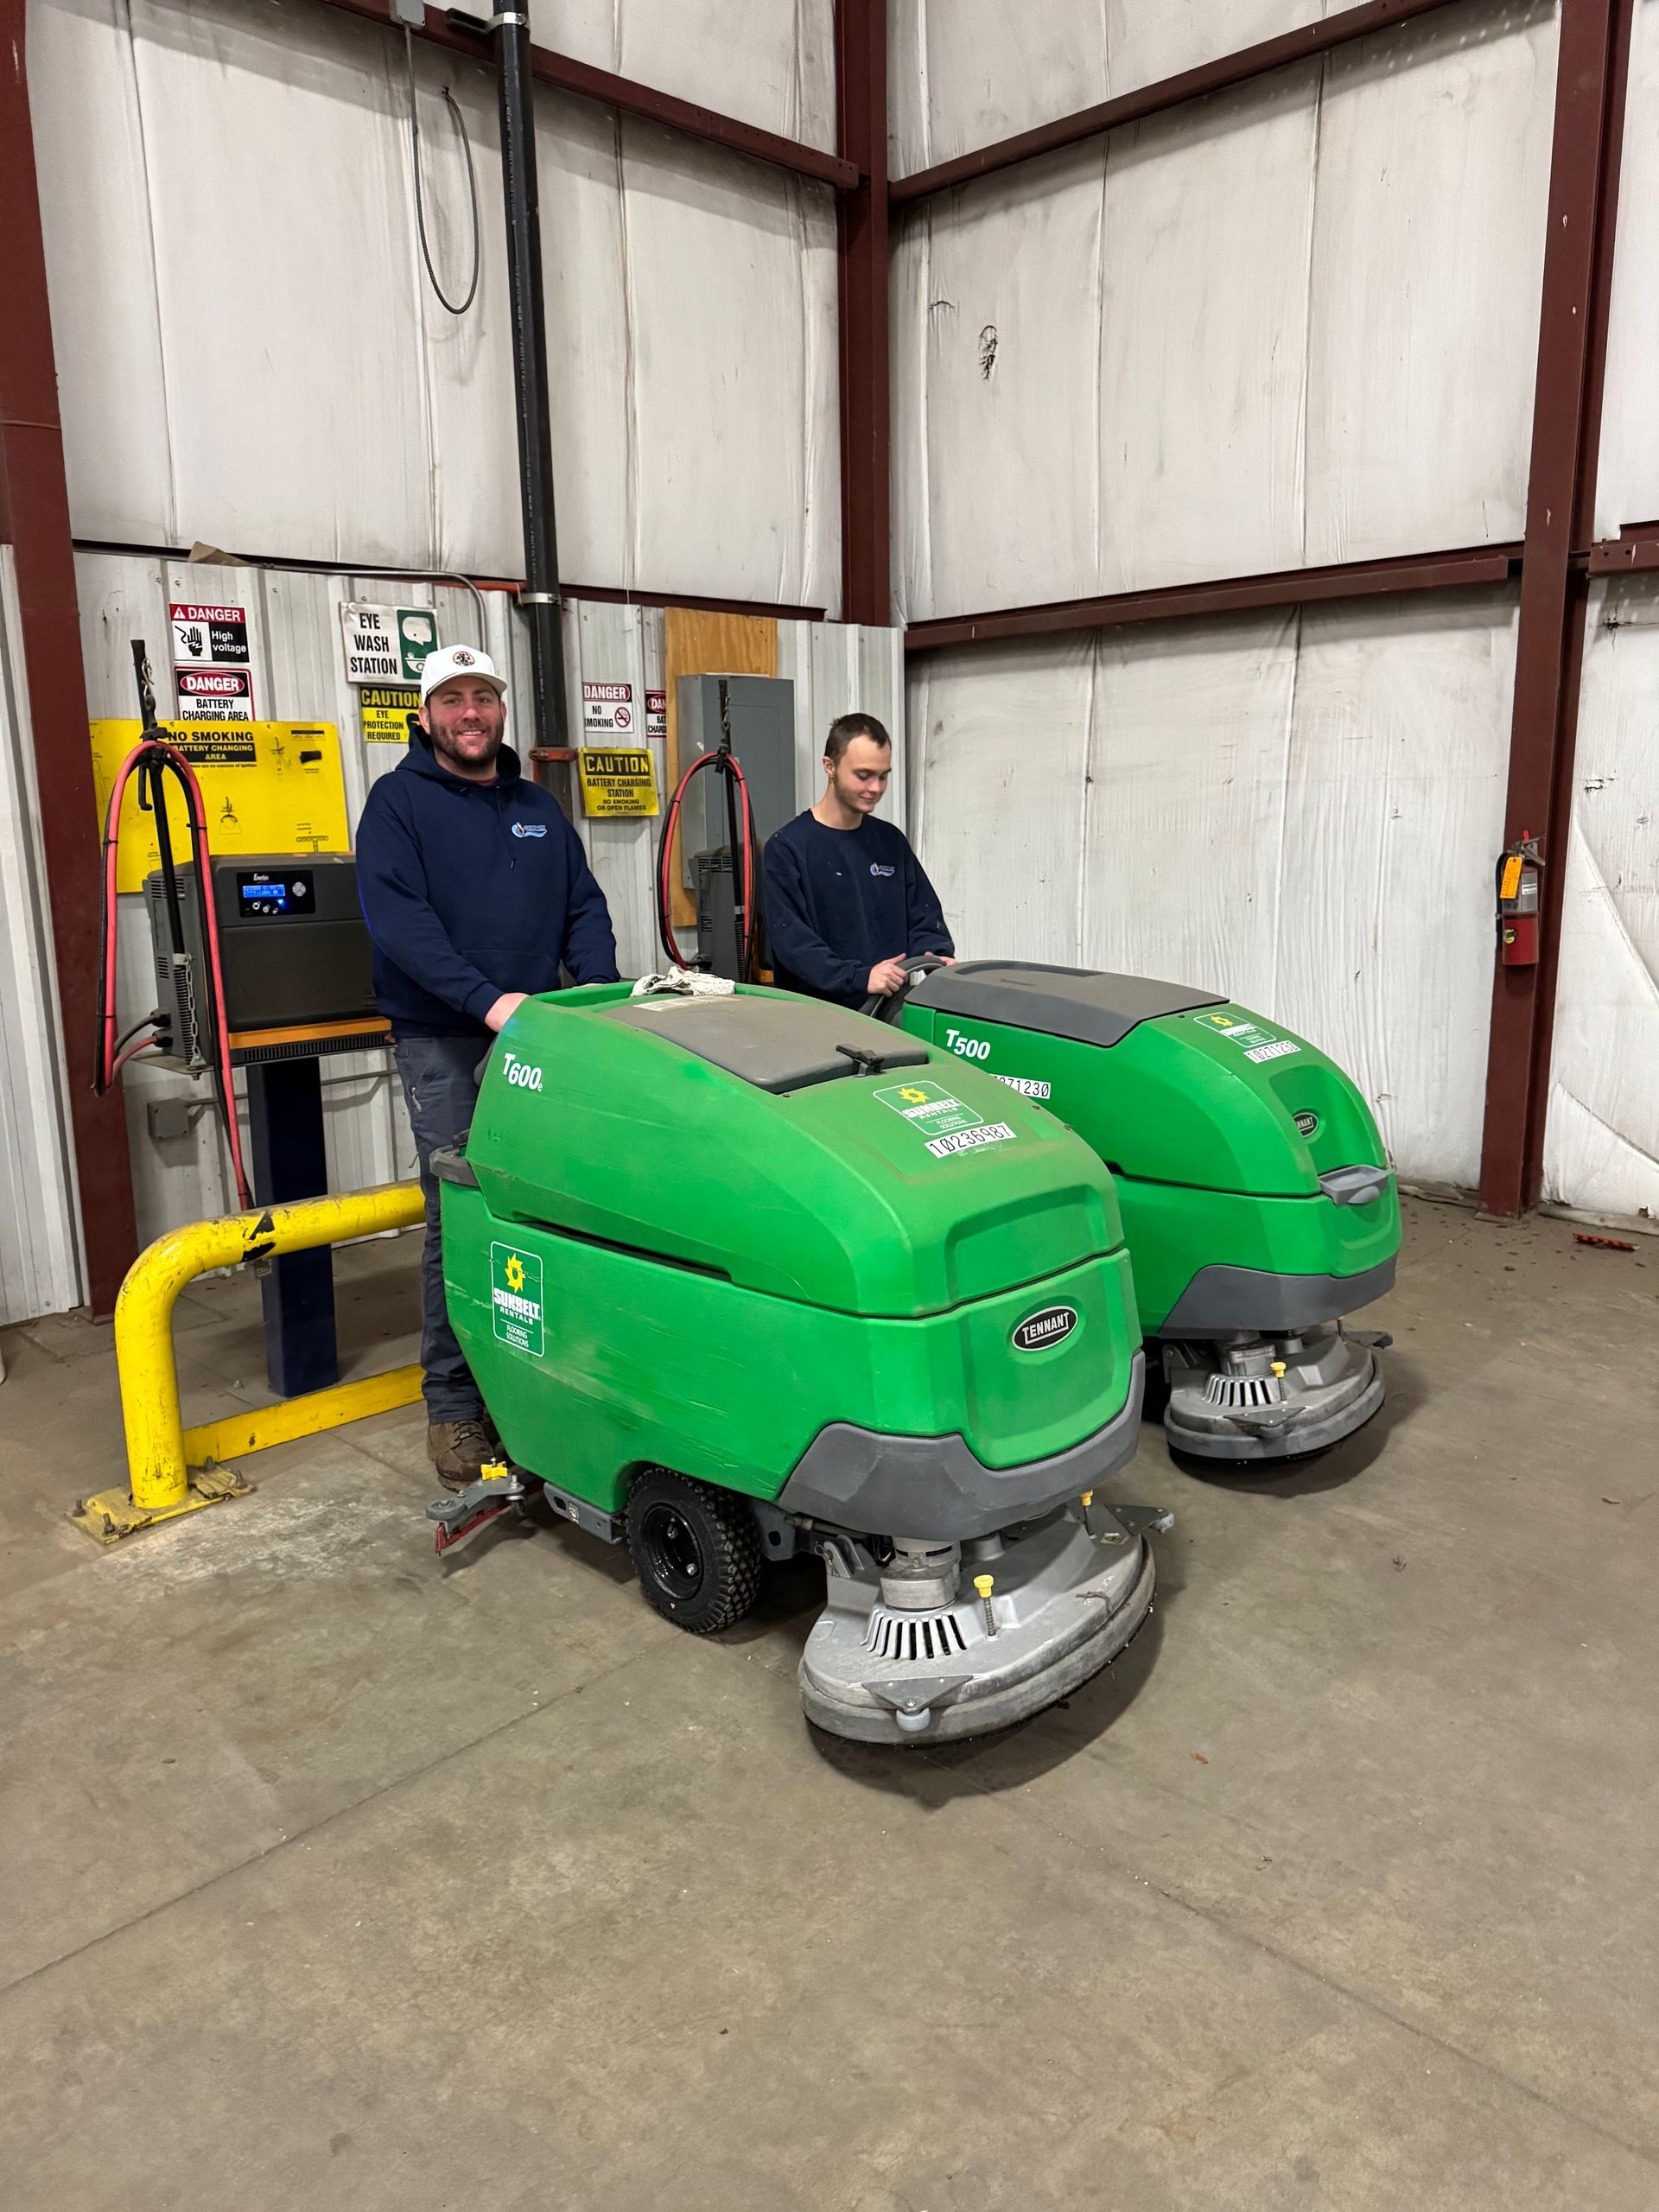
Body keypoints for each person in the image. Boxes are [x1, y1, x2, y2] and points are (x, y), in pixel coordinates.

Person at [356, 644, 619, 1489]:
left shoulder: (539, 806)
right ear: (427, 714)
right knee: (459, 1217)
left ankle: (536, 1383)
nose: (471, 713)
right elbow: (403, 926)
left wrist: (604, 996)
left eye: (485, 697)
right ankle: (454, 1411)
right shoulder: (397, 805)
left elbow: (583, 905)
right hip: (447, 1037)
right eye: (454, 699)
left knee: (547, 1211)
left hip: (540, 1037)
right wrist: (487, 1001)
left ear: (502, 710)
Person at [762, 712, 954, 1008]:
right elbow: (795, 946)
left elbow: (924, 917)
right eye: (863, 776)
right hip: (816, 1017)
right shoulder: (787, 848)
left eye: (883, 776)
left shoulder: (891, 842)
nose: (876, 788)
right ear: (830, 767)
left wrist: (933, 954)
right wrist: (859, 978)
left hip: (888, 1009)